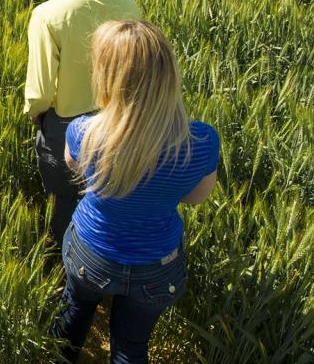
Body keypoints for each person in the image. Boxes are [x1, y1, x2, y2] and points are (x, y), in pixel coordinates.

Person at [51, 20, 220, 363]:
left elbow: (73, 166)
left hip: (91, 253)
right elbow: (195, 198)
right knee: (130, 346)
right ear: (168, 73)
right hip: (157, 265)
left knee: (73, 316)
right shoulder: (200, 141)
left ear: (108, 76)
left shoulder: (84, 132)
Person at [25, 0, 141, 245]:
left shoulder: (48, 15)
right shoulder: (128, 6)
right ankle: (104, 260)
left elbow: (40, 89)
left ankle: (67, 266)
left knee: (63, 202)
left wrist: (41, 117)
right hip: (117, 122)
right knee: (109, 199)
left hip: (63, 126)